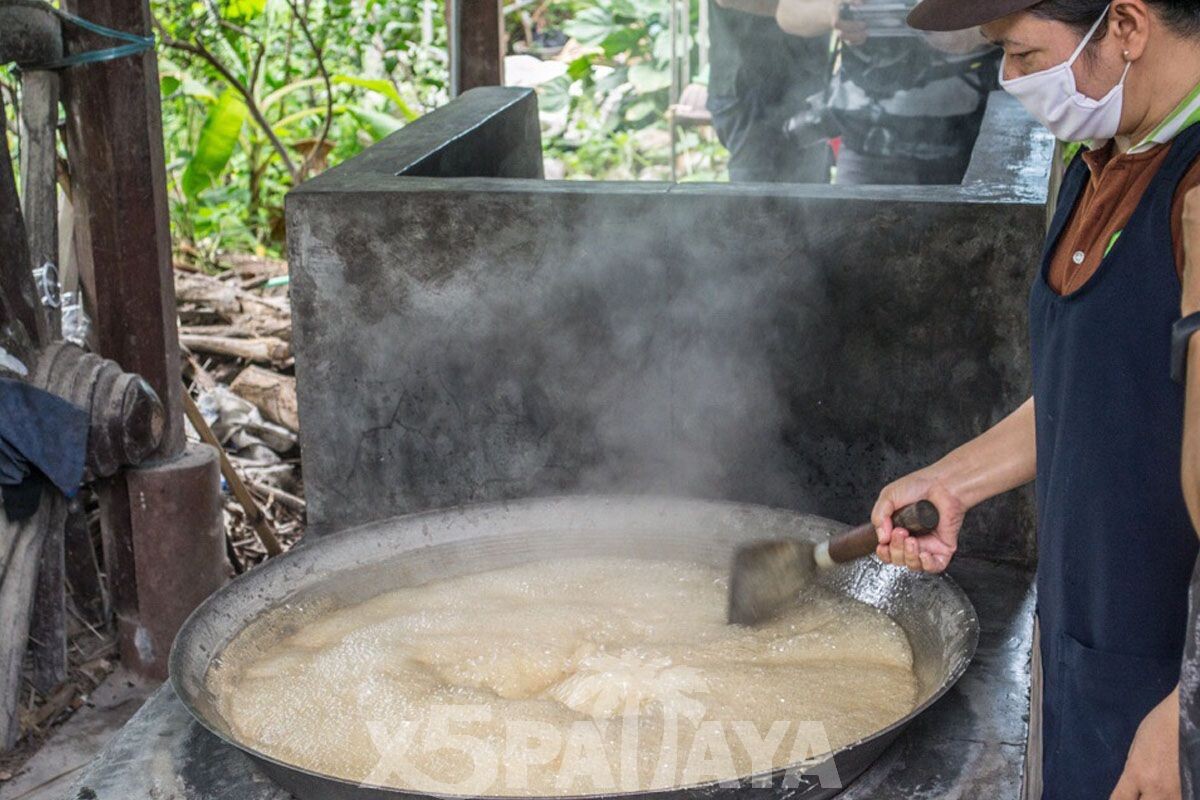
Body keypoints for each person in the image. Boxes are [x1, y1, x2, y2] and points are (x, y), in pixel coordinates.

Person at [867, 0, 1200, 796]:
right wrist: (954, 480)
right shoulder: (1106, 154)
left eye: (1020, 52)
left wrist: (1185, 715)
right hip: (1091, 637)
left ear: (1125, 26)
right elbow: (1095, 388)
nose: (1012, 80)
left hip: (1165, 674)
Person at [775, 0, 1000, 184]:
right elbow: (787, 11)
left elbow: (1029, 15)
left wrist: (976, 33)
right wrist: (830, 11)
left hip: (972, 145)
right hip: (864, 145)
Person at [706, 0, 832, 183]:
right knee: (757, 203)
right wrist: (815, 10)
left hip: (809, 84)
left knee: (813, 199)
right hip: (748, 88)